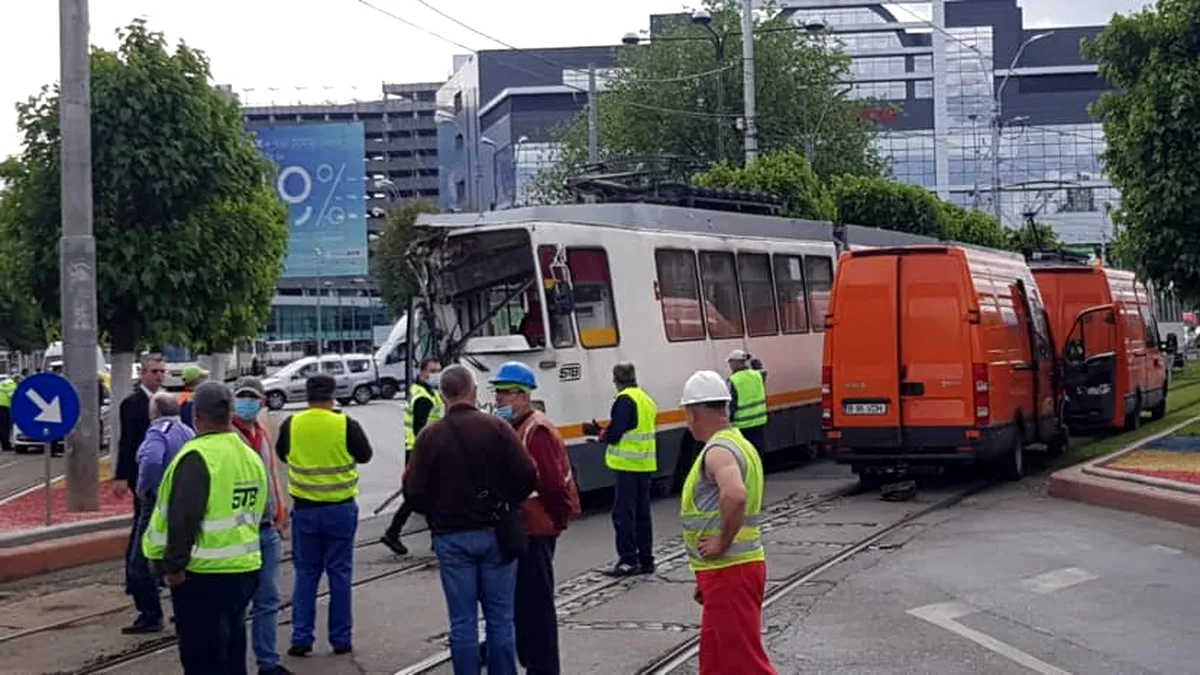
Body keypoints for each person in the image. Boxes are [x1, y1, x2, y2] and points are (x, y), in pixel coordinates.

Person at [404, 364, 536, 675]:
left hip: (451, 537)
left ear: (442, 394)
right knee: (501, 619)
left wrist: (437, 514)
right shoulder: (497, 428)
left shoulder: (429, 436)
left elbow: (413, 492)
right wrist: (505, 503)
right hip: (495, 534)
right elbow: (527, 476)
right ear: (473, 392)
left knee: (462, 622)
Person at [142, 382, 268, 675]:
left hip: (203, 575)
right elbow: (259, 507)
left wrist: (173, 567)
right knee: (232, 649)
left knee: (202, 657)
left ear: (196, 415)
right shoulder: (248, 453)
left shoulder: (197, 456)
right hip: (244, 570)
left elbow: (183, 518)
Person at [678, 370, 773, 675]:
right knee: (716, 659)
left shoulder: (718, 451)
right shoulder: (739, 443)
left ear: (693, 413)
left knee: (744, 662)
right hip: (726, 571)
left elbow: (735, 494)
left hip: (730, 570)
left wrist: (722, 543)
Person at [275, 374, 373, 657]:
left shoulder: (292, 424)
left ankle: (301, 638)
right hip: (340, 510)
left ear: (307, 397)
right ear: (333, 395)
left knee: (306, 574)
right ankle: (340, 639)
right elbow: (365, 455)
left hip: (305, 512)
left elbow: (282, 454)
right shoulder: (346, 424)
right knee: (340, 574)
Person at [491, 362, 576, 675]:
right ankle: (531, 659)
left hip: (537, 527)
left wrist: (557, 518)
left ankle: (543, 667)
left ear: (523, 396)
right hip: (528, 526)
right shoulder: (519, 426)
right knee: (525, 602)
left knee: (536, 604)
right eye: (496, 392)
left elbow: (552, 483)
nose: (498, 399)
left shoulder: (535, 428)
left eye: (504, 393)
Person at [232, 377, 291, 675]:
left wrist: (281, 512)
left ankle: (268, 662)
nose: (247, 402)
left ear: (263, 401)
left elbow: (271, 477)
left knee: (268, 599)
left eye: (252, 397)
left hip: (267, 528)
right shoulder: (228, 436)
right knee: (238, 605)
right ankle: (236, 665)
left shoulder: (262, 433)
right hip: (238, 532)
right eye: (241, 396)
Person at [114, 353, 167, 635]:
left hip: (165, 488)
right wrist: (122, 476)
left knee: (145, 545)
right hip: (142, 486)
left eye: (162, 371)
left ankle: (149, 600)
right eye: (154, 371)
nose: (159, 375)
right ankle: (142, 593)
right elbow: (128, 442)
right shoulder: (133, 404)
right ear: (143, 374)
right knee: (141, 541)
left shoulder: (169, 403)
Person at [590, 362, 658, 577]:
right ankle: (646, 559)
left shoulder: (624, 399)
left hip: (627, 465)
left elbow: (616, 432)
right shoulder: (645, 399)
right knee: (642, 514)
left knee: (623, 514)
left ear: (616, 380)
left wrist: (602, 435)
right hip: (645, 463)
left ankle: (628, 560)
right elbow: (634, 427)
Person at [380, 357, 444, 555]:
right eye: (433, 371)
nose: (436, 375)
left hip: (418, 450)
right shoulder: (423, 397)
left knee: (421, 495)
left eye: (439, 371)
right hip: (422, 450)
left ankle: (396, 533)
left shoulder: (424, 391)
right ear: (423, 372)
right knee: (425, 495)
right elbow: (421, 429)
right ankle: (433, 538)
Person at [726, 349, 769, 454]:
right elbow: (763, 372)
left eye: (731, 362)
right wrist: (755, 363)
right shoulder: (757, 376)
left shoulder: (733, 380)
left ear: (737, 362)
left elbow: (730, 405)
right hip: (759, 422)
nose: (730, 365)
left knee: (745, 454)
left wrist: (727, 421)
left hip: (742, 425)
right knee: (758, 453)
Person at [0, 373, 17, 452]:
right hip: (5, 407)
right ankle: (6, 445)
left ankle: (4, 444)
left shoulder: (1, 384)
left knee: (1, 427)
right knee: (5, 427)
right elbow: (13, 396)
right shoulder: (12, 385)